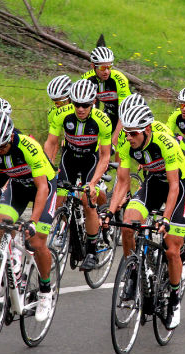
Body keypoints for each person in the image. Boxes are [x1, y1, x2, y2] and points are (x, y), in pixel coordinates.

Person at [100, 103, 185, 330]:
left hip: (176, 186)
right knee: (128, 225)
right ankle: (132, 271)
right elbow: (122, 182)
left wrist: (166, 218)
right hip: (152, 184)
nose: (128, 137)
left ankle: (175, 301)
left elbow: (173, 187)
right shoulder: (126, 142)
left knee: (171, 249)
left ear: (147, 129)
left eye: (133, 133)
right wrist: (110, 212)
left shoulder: (165, 143)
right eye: (126, 132)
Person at [0, 110, 57, 322]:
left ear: (10, 136)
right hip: (18, 186)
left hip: (43, 187)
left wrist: (33, 222)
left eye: (2, 147)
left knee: (36, 242)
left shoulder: (28, 147)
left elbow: (42, 188)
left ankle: (45, 291)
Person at [46, 79, 112, 271]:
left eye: (85, 105)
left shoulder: (102, 120)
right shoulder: (61, 114)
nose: (80, 108)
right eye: (76, 104)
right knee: (57, 197)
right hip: (69, 158)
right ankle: (65, 232)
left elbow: (105, 155)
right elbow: (51, 143)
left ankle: (91, 251)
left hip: (90, 160)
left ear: (93, 103)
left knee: (86, 200)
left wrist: (93, 183)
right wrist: (49, 168)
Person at [81, 46, 131, 145]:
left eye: (109, 67)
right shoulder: (87, 79)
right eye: (103, 67)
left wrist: (114, 141)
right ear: (93, 66)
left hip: (128, 112)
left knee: (120, 143)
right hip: (110, 112)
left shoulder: (119, 79)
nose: (107, 71)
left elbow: (124, 113)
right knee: (96, 140)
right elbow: (87, 108)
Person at [44, 75, 72, 160]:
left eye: (60, 101)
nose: (57, 105)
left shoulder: (82, 109)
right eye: (54, 101)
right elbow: (53, 142)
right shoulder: (53, 113)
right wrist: (50, 164)